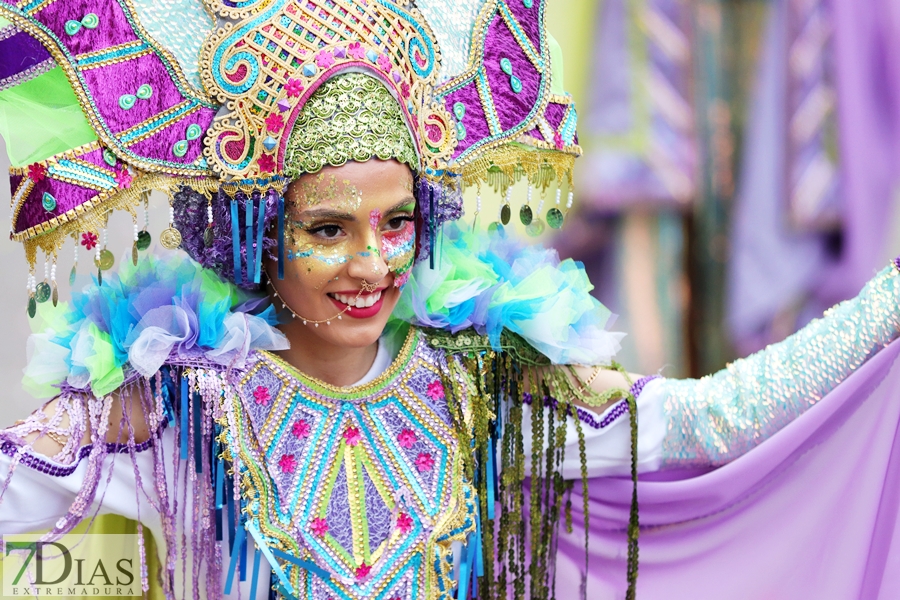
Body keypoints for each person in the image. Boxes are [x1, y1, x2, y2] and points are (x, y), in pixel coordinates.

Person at [0, 1, 898, 599]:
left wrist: (888, 302)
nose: (371, 262)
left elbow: (713, 419)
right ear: (255, 231)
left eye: (397, 223)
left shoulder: (494, 390)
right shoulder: (174, 411)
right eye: (327, 229)